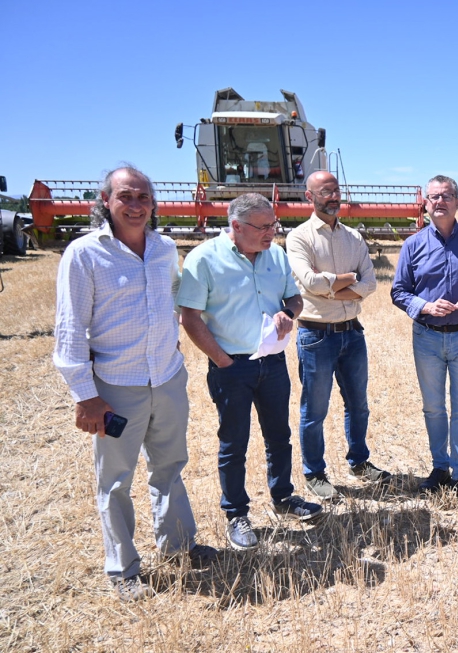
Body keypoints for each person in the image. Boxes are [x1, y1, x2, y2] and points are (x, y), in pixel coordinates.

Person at [53, 166, 216, 602]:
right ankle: (123, 569)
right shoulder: (85, 254)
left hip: (166, 377)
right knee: (115, 481)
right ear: (105, 200)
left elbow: (182, 300)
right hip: (115, 389)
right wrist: (86, 397)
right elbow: (70, 330)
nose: (137, 205)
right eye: (127, 196)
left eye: (144, 197)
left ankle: (179, 544)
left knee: (170, 466)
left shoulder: (164, 249)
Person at [177, 193, 322, 551]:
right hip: (231, 368)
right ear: (236, 226)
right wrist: (224, 362)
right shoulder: (203, 260)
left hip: (272, 364)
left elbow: (294, 298)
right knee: (233, 443)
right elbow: (190, 318)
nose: (271, 232)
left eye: (274, 225)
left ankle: (284, 498)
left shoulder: (275, 255)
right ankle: (236, 514)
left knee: (279, 437)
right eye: (263, 227)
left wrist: (289, 314)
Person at [391, 175, 458, 507]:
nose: (440, 202)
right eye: (434, 196)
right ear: (425, 203)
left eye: (446, 196)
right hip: (426, 337)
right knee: (434, 408)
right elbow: (398, 291)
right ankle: (440, 467)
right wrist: (424, 305)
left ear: (457, 201)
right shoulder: (412, 245)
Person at [286, 171, 389, 502]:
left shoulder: (354, 238)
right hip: (316, 337)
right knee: (314, 411)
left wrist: (332, 288)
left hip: (352, 334)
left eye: (336, 191)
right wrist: (348, 280)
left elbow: (371, 284)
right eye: (325, 192)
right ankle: (315, 473)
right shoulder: (299, 238)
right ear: (309, 197)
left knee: (358, 406)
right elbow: (309, 284)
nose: (333, 197)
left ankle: (359, 463)